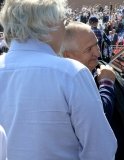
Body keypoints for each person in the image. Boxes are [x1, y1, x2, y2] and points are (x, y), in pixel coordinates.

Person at [0, 0, 117, 159]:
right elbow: (100, 149)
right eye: (63, 22)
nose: (64, 28)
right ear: (49, 25)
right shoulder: (71, 73)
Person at [61, 21, 124, 160]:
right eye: (88, 49)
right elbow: (96, 124)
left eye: (96, 45)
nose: (97, 53)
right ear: (68, 55)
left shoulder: (107, 73)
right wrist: (106, 85)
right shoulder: (64, 87)